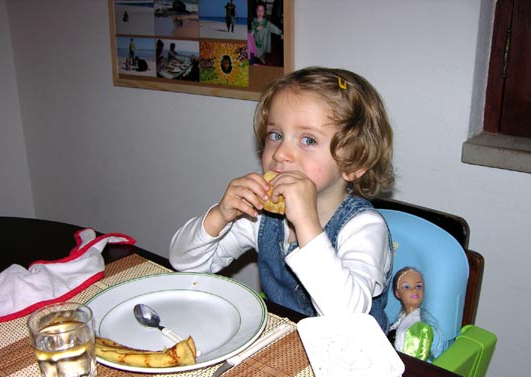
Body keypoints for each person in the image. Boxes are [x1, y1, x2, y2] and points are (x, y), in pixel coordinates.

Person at [169, 67, 394, 332]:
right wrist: (220, 215)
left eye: (308, 140)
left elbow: (347, 319)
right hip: (283, 340)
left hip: (352, 352)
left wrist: (306, 223)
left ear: (355, 163)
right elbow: (184, 264)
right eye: (276, 135)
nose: (280, 153)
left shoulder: (364, 228)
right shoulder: (261, 216)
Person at [387, 267, 439, 361]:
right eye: (406, 287)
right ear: (397, 293)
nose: (414, 290)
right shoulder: (395, 324)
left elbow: (415, 362)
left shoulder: (422, 329)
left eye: (418, 286)